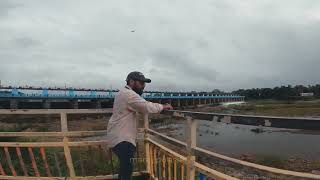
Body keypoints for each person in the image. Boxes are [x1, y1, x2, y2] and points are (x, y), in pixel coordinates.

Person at [106, 71, 173, 180]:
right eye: (141, 83)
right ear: (131, 82)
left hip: (118, 137)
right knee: (127, 171)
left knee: (125, 170)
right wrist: (163, 107)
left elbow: (141, 105)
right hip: (123, 140)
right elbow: (145, 106)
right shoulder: (128, 94)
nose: (143, 86)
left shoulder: (122, 93)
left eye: (144, 84)